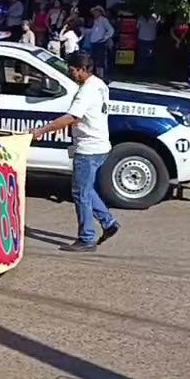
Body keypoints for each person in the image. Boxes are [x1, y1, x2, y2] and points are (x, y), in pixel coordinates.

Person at [31, 51, 121, 252]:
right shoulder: (100, 85)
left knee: (80, 193)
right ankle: (108, 222)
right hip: (100, 145)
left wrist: (42, 130)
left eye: (73, 70)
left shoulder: (86, 91)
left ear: (82, 69)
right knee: (86, 190)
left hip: (88, 148)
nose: (71, 74)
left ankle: (86, 238)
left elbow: (72, 116)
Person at [87, 6, 115, 79]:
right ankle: (96, 76)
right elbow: (93, 31)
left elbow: (111, 30)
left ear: (100, 12)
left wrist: (105, 38)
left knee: (100, 61)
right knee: (94, 61)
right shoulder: (95, 21)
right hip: (93, 43)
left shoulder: (103, 20)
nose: (94, 13)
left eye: (96, 11)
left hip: (100, 43)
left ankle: (101, 77)